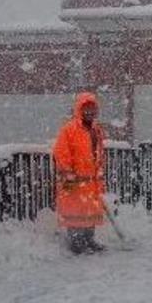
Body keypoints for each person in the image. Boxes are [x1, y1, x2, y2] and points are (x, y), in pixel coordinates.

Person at [53, 92, 107, 254]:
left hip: (91, 181)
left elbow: (98, 154)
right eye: (86, 109)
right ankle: (76, 243)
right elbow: (61, 151)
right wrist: (68, 172)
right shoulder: (70, 129)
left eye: (92, 109)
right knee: (75, 211)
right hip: (74, 179)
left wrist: (99, 173)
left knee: (90, 211)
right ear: (79, 109)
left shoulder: (96, 130)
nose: (89, 112)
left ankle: (89, 240)